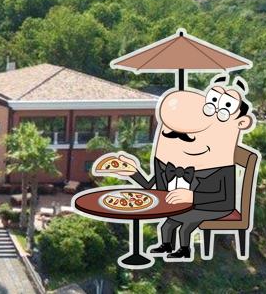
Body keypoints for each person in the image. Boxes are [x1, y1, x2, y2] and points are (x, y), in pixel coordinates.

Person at [99, 74, 256, 261]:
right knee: (167, 224)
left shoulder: (221, 167)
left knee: (186, 221)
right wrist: (133, 172)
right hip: (183, 203)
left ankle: (184, 249)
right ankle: (165, 245)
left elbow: (224, 197)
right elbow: (151, 186)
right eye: (174, 134)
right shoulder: (168, 164)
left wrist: (192, 196)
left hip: (215, 206)